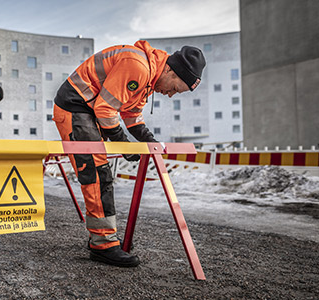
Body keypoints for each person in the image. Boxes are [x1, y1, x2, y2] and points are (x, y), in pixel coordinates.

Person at [52, 40, 206, 267]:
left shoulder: (148, 77)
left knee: (101, 173)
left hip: (88, 109)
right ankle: (102, 245)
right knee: (96, 174)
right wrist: (123, 144)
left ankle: (103, 238)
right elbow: (105, 108)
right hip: (75, 106)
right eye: (174, 88)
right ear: (170, 70)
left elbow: (132, 114)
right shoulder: (138, 66)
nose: (170, 95)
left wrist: (150, 142)